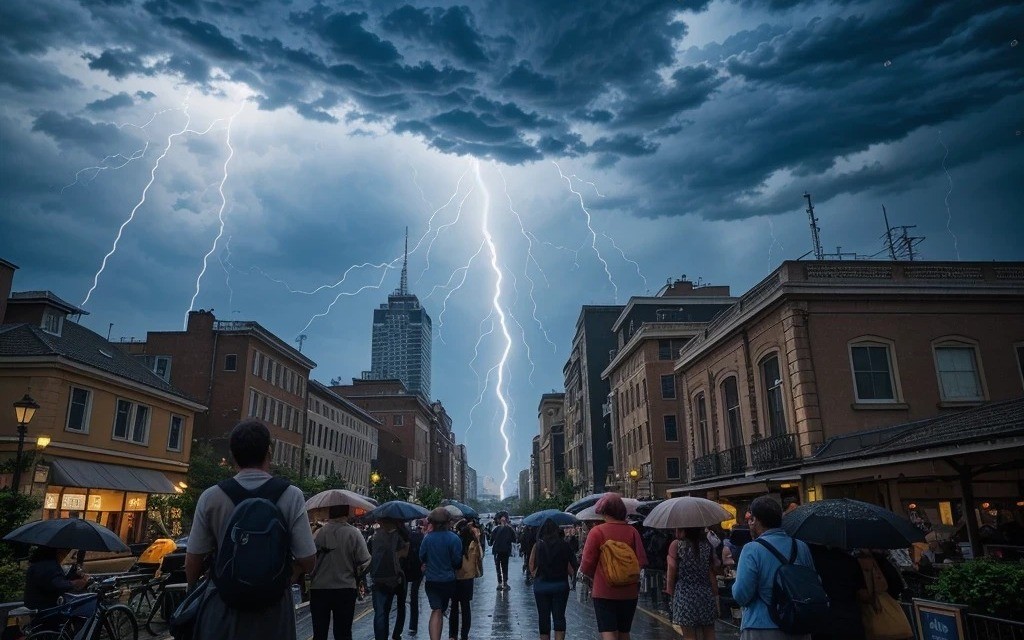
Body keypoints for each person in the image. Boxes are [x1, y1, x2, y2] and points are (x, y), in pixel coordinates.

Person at [185, 419, 317, 640]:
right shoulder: (291, 495)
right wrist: (283, 577)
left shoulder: (211, 496)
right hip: (274, 610)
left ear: (233, 455)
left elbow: (193, 559)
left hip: (224, 604)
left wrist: (193, 589)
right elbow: (309, 559)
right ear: (269, 452)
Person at [731, 495, 815, 640]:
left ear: (756, 520)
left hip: (761, 626)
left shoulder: (752, 549)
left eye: (751, 519)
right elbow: (813, 582)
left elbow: (741, 595)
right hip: (799, 624)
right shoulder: (800, 546)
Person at [580, 493, 649, 640]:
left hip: (604, 591)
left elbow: (586, 564)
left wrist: (594, 577)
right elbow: (641, 560)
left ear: (604, 511)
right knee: (624, 632)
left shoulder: (596, 532)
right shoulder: (632, 531)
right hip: (629, 591)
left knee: (608, 632)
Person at [308, 504, 371, 640]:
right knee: (343, 632)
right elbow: (365, 561)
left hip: (320, 588)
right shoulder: (354, 533)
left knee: (319, 632)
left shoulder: (318, 533)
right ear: (346, 512)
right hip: (345, 588)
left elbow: (309, 557)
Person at [666, 527, 719, 640]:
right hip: (705, 594)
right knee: (709, 633)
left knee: (689, 635)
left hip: (685, 595)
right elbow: (712, 572)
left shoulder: (676, 545)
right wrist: (715, 595)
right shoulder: (706, 545)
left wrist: (670, 591)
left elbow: (672, 568)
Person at [530, 518, 578, 640]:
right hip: (560, 586)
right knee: (559, 617)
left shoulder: (538, 545)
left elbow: (531, 566)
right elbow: (573, 566)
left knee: (543, 617)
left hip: (541, 586)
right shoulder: (565, 545)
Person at [419, 508, 463, 640]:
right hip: (449, 581)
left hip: (432, 581)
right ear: (448, 522)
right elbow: (457, 562)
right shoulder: (454, 539)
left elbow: (422, 557)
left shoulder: (427, 539)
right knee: (442, 609)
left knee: (436, 610)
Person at [808, 545, 864, 640]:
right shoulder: (850, 562)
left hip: (822, 618)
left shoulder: (813, 560)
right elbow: (859, 589)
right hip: (848, 617)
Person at [370, 518, 410, 640]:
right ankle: (397, 633)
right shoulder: (400, 536)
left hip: (379, 577)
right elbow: (404, 554)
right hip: (397, 577)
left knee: (381, 612)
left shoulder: (375, 537)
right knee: (401, 605)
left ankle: (381, 637)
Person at [23, 547, 89, 610]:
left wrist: (74, 576)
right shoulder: (48, 566)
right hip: (45, 610)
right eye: (66, 552)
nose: (66, 556)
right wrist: (74, 583)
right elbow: (56, 584)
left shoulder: (41, 564)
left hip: (37, 607)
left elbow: (56, 579)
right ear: (58, 551)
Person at [449, 520, 482, 640]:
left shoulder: (455, 542)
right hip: (468, 578)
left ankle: (452, 634)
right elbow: (480, 557)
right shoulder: (474, 544)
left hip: (455, 576)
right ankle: (464, 634)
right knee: (466, 607)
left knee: (453, 606)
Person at [401, 520, 426, 637]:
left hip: (405, 570)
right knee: (414, 596)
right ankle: (413, 625)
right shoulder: (420, 536)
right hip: (418, 570)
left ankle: (400, 628)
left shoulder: (402, 538)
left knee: (402, 597)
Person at [490, 515, 516, 590]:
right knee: (505, 567)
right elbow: (514, 539)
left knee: (498, 567)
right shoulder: (510, 529)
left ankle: (500, 583)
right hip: (505, 551)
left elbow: (491, 540)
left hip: (497, 551)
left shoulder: (496, 529)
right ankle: (504, 583)